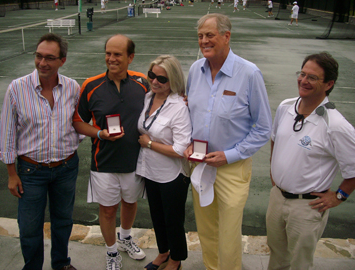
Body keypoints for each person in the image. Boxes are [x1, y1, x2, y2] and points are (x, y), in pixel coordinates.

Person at [184, 13, 272, 270]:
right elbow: (191, 114)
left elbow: (263, 128)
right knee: (207, 228)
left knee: (229, 231)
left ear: (226, 36)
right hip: (199, 164)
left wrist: (230, 155)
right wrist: (189, 142)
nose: (204, 41)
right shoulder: (194, 70)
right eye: (200, 36)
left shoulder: (249, 73)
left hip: (232, 168)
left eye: (209, 35)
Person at [0, 33, 80, 270]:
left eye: (50, 58)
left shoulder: (72, 87)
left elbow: (79, 122)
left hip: (66, 168)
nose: (42, 63)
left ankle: (61, 263)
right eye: (39, 56)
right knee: (29, 227)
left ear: (62, 60)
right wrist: (12, 174)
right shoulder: (17, 88)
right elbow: (7, 134)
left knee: (63, 221)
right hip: (29, 171)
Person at [267, 52, 355, 270]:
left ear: (329, 84)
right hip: (277, 197)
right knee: (277, 256)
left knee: (299, 263)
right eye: (302, 74)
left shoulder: (336, 125)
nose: (303, 81)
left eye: (312, 77)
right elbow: (275, 140)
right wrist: (274, 174)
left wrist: (339, 196)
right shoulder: (285, 107)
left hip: (307, 207)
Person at [72, 34, 148, 270]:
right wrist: (100, 134)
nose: (111, 59)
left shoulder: (143, 83)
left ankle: (125, 238)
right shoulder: (90, 85)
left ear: (130, 57)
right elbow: (78, 121)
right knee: (106, 209)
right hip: (103, 161)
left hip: (135, 161)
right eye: (108, 53)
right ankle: (112, 251)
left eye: (117, 54)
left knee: (130, 202)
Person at [137, 55, 192, 270]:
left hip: (172, 175)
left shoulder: (179, 106)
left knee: (172, 221)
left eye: (162, 78)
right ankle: (163, 252)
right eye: (152, 75)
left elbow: (180, 149)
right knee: (157, 216)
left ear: (174, 80)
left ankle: (176, 259)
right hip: (150, 170)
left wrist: (149, 144)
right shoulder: (148, 97)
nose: (155, 81)